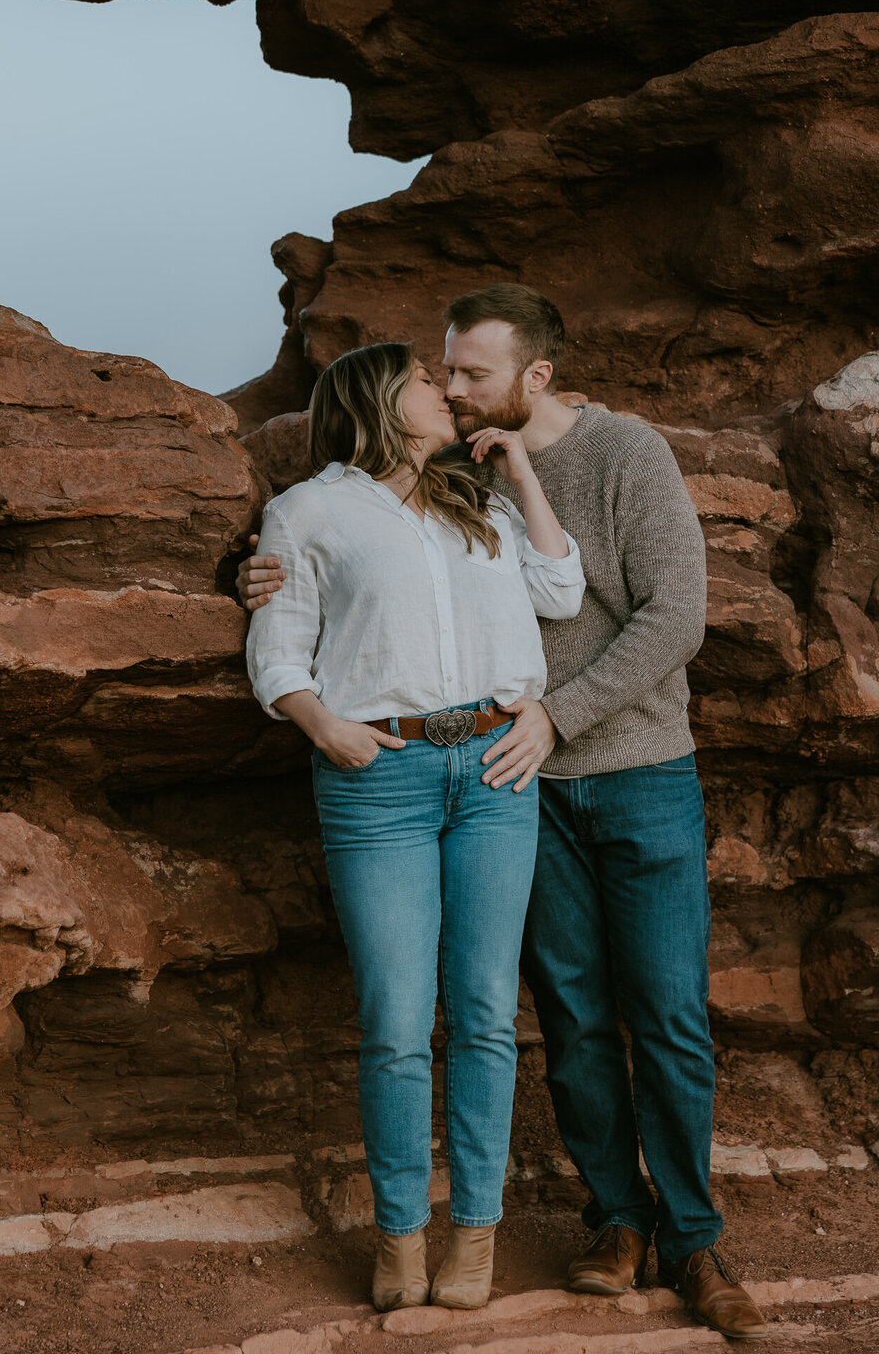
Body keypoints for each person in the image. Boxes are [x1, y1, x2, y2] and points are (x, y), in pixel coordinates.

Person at [240, 288, 770, 1341]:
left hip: (602, 766)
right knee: (545, 1021)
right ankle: (602, 1222)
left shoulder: (591, 462)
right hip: (480, 782)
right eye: (438, 376)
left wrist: (553, 715)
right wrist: (260, 601)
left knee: (654, 1015)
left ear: (533, 378)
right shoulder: (396, 491)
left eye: (469, 374)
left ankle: (689, 1239)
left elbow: (644, 608)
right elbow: (319, 579)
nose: (451, 387)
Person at [244, 340, 584, 1314]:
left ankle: (472, 1236)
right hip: (376, 781)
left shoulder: (479, 499)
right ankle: (400, 1236)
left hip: (493, 770)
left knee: (484, 1014)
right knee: (396, 1022)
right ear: (377, 400)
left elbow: (560, 590)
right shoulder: (309, 510)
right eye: (427, 382)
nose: (446, 392)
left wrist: (520, 471)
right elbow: (276, 646)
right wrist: (326, 728)